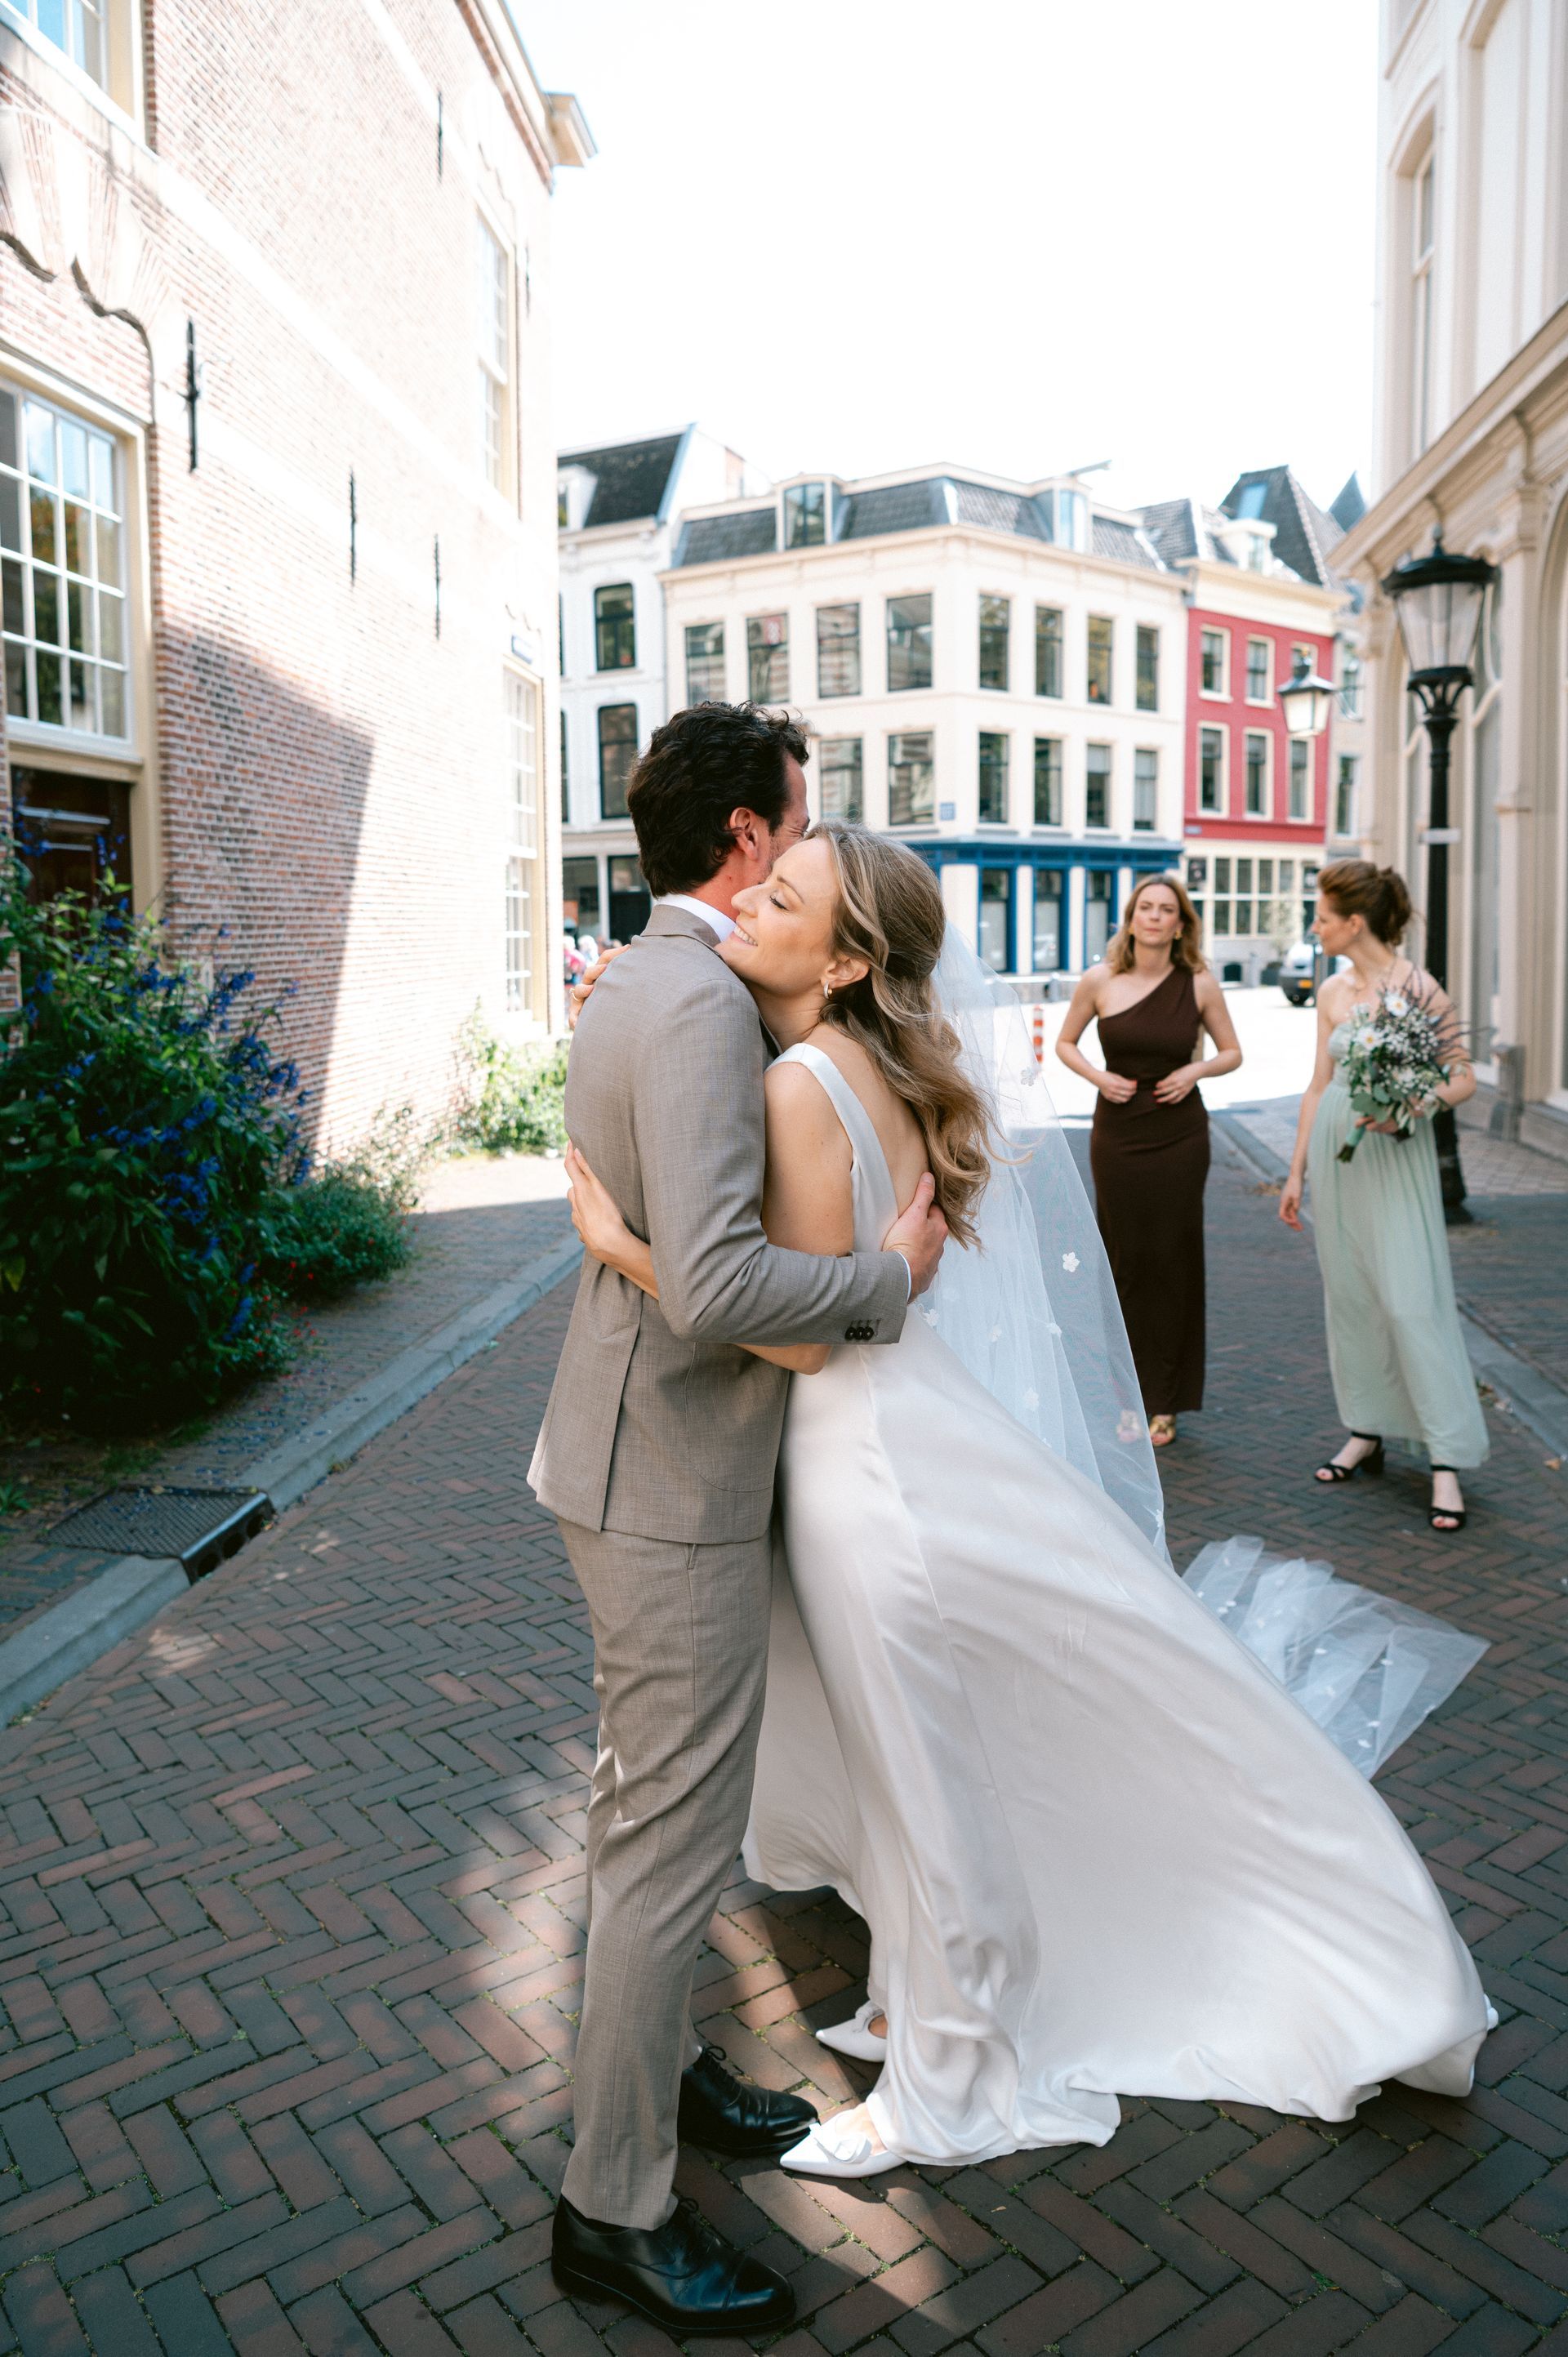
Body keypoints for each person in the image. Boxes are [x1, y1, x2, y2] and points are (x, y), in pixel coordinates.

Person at [567, 817, 1491, 2183]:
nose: (747, 904)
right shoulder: (868, 1057)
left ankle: (949, 2073)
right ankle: (921, 1995)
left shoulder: (802, 1084)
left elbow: (803, 1338)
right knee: (934, 1753)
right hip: (915, 1427)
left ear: (846, 959)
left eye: (783, 898)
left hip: (864, 1464)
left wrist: (625, 1245)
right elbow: (868, 1280)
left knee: (921, 1778)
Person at [528, 705, 947, 2338]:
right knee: (662, 1854)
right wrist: (884, 1283)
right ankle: (613, 2211)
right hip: (674, 1483)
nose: (802, 844)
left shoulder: (640, 974)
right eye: (798, 818)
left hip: (625, 1459)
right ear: (751, 838)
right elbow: (712, 1285)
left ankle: (670, 2075)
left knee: (643, 1817)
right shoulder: (705, 1003)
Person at [1279, 860, 1486, 1535]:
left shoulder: (1419, 988)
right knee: (1353, 1298)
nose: (1315, 928)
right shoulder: (1333, 991)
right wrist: (1295, 1171)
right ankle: (1365, 1430)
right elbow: (1318, 1084)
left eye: (1322, 917)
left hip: (1395, 1154)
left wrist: (1414, 1105)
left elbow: (1463, 1076)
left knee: (1410, 1302)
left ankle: (1447, 1457)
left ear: (1354, 922)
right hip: (1338, 1157)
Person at [1054, 874, 1241, 1446]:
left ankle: (1167, 1400)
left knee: (1173, 1260)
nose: (1155, 917)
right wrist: (1098, 1077)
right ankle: (1129, 1397)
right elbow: (1064, 1043)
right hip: (1118, 1134)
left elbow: (1233, 1052)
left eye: (1167, 910)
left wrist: (1195, 1069)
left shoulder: (1199, 983)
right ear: (1132, 918)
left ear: (1180, 925)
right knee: (1127, 1263)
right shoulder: (1100, 980)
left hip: (1180, 1135)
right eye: (1146, 908)